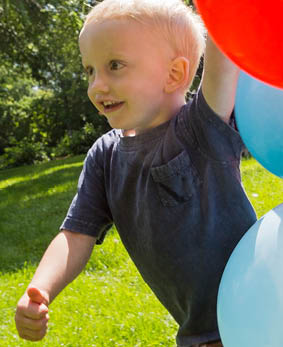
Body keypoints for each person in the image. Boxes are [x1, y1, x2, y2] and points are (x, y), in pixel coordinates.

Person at [13, 0, 257, 346]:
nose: (97, 86)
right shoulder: (104, 157)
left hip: (260, 311)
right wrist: (41, 288)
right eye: (90, 71)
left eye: (115, 66)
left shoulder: (201, 128)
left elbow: (223, 57)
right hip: (202, 337)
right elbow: (75, 235)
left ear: (174, 74)